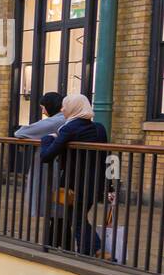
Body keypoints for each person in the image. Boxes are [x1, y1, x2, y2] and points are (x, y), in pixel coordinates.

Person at [40, 93, 108, 256]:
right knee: (77, 217)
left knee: (76, 219)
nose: (62, 109)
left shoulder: (69, 128)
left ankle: (95, 250)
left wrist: (47, 139)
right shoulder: (99, 128)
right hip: (95, 182)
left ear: (74, 108)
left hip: (75, 183)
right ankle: (88, 250)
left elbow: (47, 156)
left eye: (65, 106)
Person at [15, 91, 65, 223]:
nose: (43, 112)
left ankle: (53, 242)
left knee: (53, 204)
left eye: (43, 107)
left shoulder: (56, 120)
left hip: (53, 167)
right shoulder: (64, 119)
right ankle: (53, 241)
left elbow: (21, 132)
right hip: (60, 168)